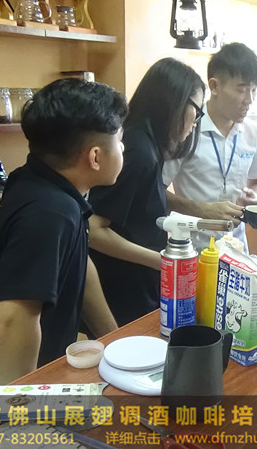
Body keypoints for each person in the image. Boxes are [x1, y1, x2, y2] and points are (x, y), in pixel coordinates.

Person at [0, 79, 126, 398]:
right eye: (120, 141)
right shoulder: (50, 212)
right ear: (95, 157)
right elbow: (9, 322)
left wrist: (113, 340)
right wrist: (25, 406)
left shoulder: (41, 184)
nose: (123, 149)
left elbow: (78, 265)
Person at [88, 58, 205, 326]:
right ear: (174, 102)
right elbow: (92, 229)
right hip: (122, 287)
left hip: (136, 282)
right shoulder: (137, 151)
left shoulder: (146, 143)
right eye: (197, 111)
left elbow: (141, 201)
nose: (196, 122)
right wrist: (163, 261)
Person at [163, 42, 257, 251]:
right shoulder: (187, 129)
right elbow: (157, 190)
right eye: (242, 90)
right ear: (214, 86)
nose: (249, 100)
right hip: (192, 247)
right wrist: (203, 210)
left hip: (236, 247)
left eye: (254, 90)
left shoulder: (254, 133)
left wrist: (256, 196)